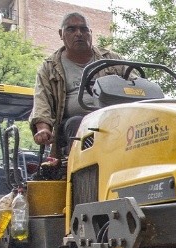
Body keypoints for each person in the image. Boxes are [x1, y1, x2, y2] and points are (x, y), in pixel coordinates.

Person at [29, 12, 127, 159]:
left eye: (84, 29)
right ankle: (87, 171)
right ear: (61, 34)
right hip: (74, 124)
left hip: (114, 120)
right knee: (79, 124)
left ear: (91, 33)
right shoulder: (49, 67)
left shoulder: (112, 60)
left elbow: (137, 85)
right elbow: (42, 102)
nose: (79, 34)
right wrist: (43, 129)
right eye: (71, 29)